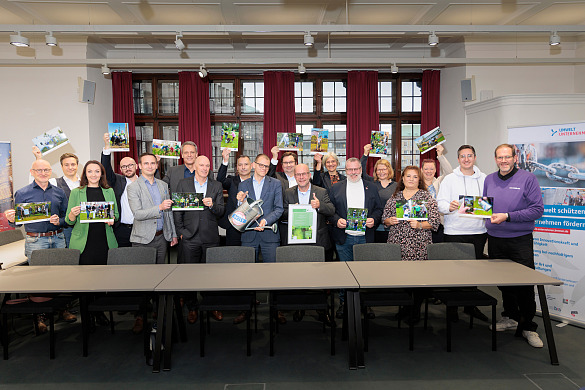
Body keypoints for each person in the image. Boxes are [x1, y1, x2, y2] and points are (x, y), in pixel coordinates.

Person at [484, 144, 544, 348]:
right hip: (495, 238)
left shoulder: (528, 178)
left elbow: (537, 210)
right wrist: (469, 209)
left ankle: (529, 326)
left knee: (524, 283)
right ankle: (509, 317)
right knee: (504, 283)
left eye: (507, 157)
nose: (503, 161)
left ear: (514, 158)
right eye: (500, 157)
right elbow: (485, 206)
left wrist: (508, 216)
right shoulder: (489, 179)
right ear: (495, 159)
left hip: (520, 239)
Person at [5, 159, 76, 332]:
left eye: (46, 170)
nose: (43, 173)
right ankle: (39, 317)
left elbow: (67, 219)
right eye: (39, 170)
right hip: (35, 240)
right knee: (37, 279)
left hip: (58, 237)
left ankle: (62, 309)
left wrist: (58, 220)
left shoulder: (59, 192)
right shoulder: (22, 193)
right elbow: (17, 224)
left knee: (61, 277)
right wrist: (11, 219)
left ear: (51, 171)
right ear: (32, 172)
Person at [126, 152, 178, 333]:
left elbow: (169, 212)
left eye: (152, 163)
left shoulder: (163, 185)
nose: (149, 166)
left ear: (157, 165)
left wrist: (172, 233)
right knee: (141, 281)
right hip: (142, 240)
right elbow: (138, 214)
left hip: (161, 238)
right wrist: (159, 207)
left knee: (159, 279)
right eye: (146, 163)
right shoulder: (133, 187)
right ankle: (140, 316)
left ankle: (157, 312)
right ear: (140, 166)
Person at [436, 144, 489, 322]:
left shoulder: (485, 179)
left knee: (474, 272)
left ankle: (470, 306)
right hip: (454, 231)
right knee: (454, 272)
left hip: (479, 232)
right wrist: (448, 207)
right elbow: (439, 203)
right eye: (462, 156)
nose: (466, 159)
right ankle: (452, 308)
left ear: (475, 157)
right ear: (458, 159)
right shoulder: (449, 179)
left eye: (469, 156)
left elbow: (489, 204)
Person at [382, 165, 440, 323]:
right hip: (398, 243)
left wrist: (420, 225)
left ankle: (415, 310)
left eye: (415, 177)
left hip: (418, 244)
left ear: (419, 179)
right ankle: (405, 307)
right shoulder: (395, 197)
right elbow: (384, 219)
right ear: (403, 178)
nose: (411, 179)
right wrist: (390, 220)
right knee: (402, 279)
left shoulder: (426, 197)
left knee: (418, 279)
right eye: (408, 176)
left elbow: (435, 222)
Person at [328, 157, 383, 319]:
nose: (353, 173)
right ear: (345, 171)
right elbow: (330, 211)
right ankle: (344, 303)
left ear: (361, 169)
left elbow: (379, 209)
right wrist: (336, 220)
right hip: (344, 238)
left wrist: (374, 219)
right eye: (350, 170)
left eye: (356, 169)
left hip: (365, 238)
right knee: (345, 273)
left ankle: (366, 304)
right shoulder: (336, 188)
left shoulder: (372, 188)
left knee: (365, 273)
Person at [282, 163, 335, 324]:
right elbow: (282, 212)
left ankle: (322, 310)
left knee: (320, 278)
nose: (301, 177)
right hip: (297, 240)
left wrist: (320, 206)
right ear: (295, 176)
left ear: (309, 174)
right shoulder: (288, 193)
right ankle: (300, 307)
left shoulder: (321, 191)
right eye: (298, 175)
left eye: (304, 174)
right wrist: (292, 209)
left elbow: (331, 210)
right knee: (299, 277)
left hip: (317, 241)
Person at [174, 155, 225, 324]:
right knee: (190, 275)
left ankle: (211, 306)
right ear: (194, 166)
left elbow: (221, 211)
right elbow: (177, 210)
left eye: (207, 165)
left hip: (210, 236)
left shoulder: (216, 185)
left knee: (211, 275)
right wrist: (181, 231)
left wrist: (212, 205)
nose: (204, 168)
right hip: (189, 237)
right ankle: (192, 308)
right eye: (201, 165)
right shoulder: (183, 184)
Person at [66, 161, 119, 265]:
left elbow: (116, 215)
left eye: (97, 171)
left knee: (106, 276)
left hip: (105, 240)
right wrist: (72, 214)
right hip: (83, 242)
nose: (93, 174)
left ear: (101, 174)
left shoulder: (109, 191)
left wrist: (111, 219)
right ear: (85, 174)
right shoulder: (76, 192)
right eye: (90, 171)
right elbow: (69, 221)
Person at [31, 147, 80, 247]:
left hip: (84, 228)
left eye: (73, 164)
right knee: (67, 258)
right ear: (61, 167)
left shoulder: (85, 182)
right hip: (65, 229)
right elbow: (38, 180)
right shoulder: (54, 182)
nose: (70, 167)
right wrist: (38, 158)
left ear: (77, 166)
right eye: (66, 165)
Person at [101, 133, 138, 247]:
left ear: (136, 165)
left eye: (130, 165)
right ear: (120, 169)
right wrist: (107, 147)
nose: (127, 168)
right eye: (124, 167)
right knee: (123, 261)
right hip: (122, 230)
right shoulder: (117, 181)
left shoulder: (144, 182)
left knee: (143, 260)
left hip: (141, 229)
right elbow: (105, 168)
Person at [361, 143, 398, 243]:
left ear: (389, 170)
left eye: (384, 169)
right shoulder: (371, 183)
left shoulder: (397, 186)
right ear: (375, 171)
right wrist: (365, 154)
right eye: (378, 169)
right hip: (375, 227)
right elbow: (362, 172)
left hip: (392, 227)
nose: (381, 172)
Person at [216, 148, 252, 246]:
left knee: (250, 254)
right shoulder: (231, 180)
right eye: (240, 165)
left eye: (246, 164)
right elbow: (220, 180)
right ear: (237, 167)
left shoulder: (256, 182)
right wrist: (225, 160)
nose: (243, 167)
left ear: (251, 166)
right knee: (233, 254)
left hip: (251, 225)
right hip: (233, 225)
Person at [421, 144, 453, 242]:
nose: (429, 171)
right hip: (421, 224)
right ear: (421, 170)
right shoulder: (416, 185)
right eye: (426, 169)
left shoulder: (439, 182)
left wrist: (440, 155)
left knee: (437, 253)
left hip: (438, 225)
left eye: (431, 169)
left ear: (435, 170)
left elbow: (449, 173)